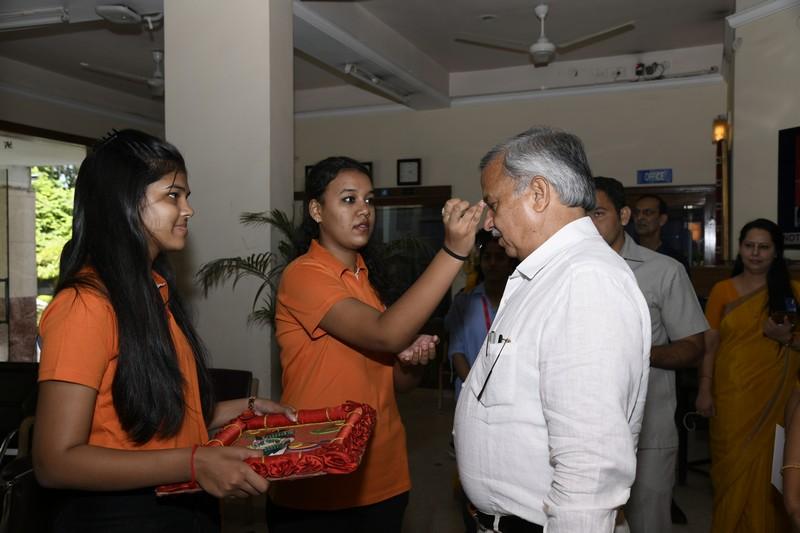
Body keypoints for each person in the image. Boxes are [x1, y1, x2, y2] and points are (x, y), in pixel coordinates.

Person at [32, 129, 296, 532]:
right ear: (123, 201)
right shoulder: (84, 306)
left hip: (180, 509)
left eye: (186, 196)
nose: (188, 209)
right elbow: (55, 461)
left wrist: (246, 409)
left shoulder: (152, 294)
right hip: (120, 517)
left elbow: (158, 420)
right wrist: (193, 462)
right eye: (173, 195)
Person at [267, 156, 483, 533]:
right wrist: (452, 253)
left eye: (369, 200)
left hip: (382, 475)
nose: (364, 210)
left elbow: (397, 383)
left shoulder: (366, 281)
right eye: (349, 199)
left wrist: (411, 361)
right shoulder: (303, 275)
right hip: (318, 478)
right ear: (316, 210)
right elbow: (385, 334)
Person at [454, 126, 651, 532]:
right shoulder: (550, 273)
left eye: (494, 204)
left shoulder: (585, 281)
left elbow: (589, 469)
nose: (489, 222)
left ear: (539, 194)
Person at [592, 177, 707, 533]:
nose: (588, 224)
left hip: (647, 433)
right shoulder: (565, 271)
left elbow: (693, 347)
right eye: (581, 215)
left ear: (623, 215)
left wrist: (635, 353)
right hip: (583, 431)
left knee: (647, 523)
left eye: (598, 213)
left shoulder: (663, 271)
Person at [696, 218, 800, 532]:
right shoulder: (722, 290)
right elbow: (709, 345)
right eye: (749, 246)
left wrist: (786, 338)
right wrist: (704, 388)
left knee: (771, 470)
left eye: (763, 247)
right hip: (732, 396)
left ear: (776, 252)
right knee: (731, 470)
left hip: (778, 397)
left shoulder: (793, 291)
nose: (755, 253)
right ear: (740, 249)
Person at [447, 230, 517, 402]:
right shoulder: (464, 302)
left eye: (499, 257)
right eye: (487, 257)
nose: (492, 263)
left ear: (510, 263)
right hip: (470, 394)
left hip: (510, 394)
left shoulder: (519, 301)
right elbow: (456, 351)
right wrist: (476, 388)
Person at [633, 194, 690, 272]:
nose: (639, 217)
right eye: (636, 213)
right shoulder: (627, 255)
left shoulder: (674, 260)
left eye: (647, 212)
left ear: (662, 219)